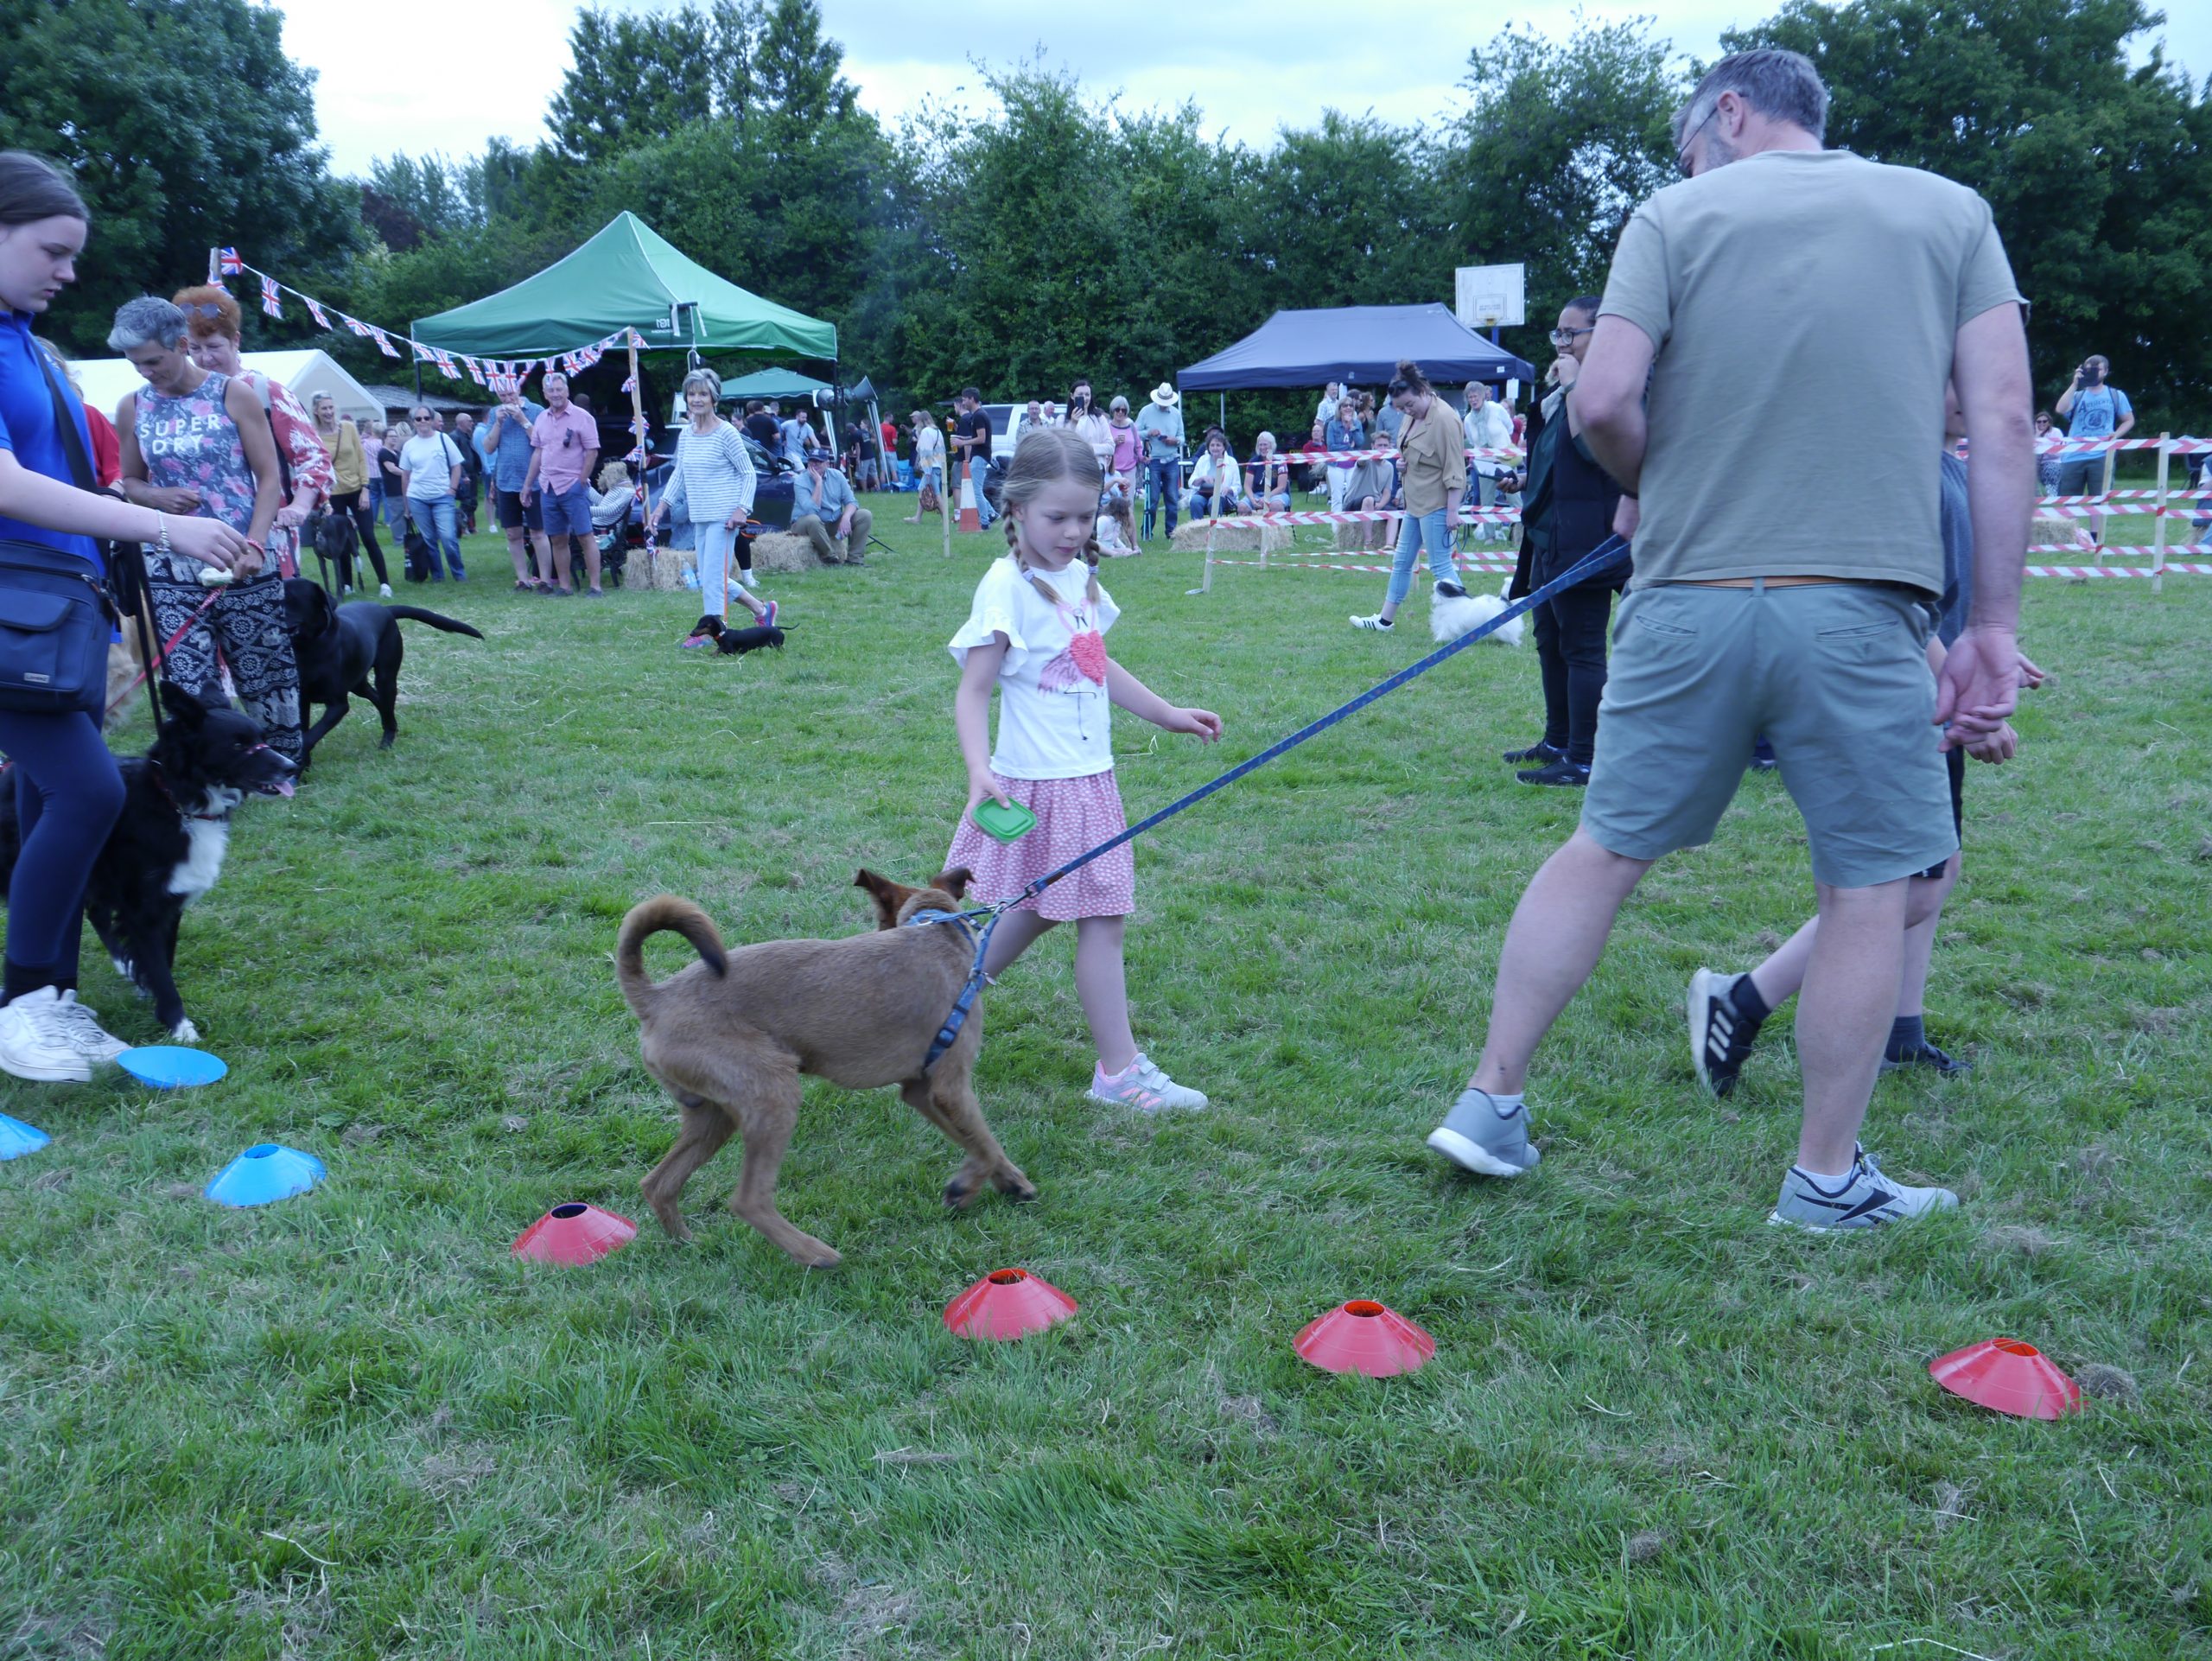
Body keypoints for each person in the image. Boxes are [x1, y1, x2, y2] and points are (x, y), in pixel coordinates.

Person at [1422, 48, 2032, 1233]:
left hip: (1684, 598)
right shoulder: (1951, 213)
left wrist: (1664, 484)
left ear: (1733, 111)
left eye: (1688, 144)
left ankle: (1490, 1099)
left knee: (1602, 849)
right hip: (1860, 607)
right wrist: (1995, 624)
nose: (1688, 166)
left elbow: (1602, 402)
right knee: (1868, 889)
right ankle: (1823, 1178)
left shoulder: (1670, 217)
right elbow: (2002, 420)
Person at [1690, 381, 2037, 1098]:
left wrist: (1984, 653)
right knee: (1900, 889)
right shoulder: (1904, 473)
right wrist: (1968, 702)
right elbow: (1897, 610)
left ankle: (1901, 1033)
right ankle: (1743, 998)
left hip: (1927, 695)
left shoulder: (1948, 469)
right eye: (1953, 375)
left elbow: (1945, 605)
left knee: (1934, 873)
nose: (1973, 389)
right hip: (1899, 699)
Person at [0, 153, 247, 1079]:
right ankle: (26, 1004)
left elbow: (64, 476)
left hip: (52, 608)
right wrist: (160, 525)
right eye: (52, 250)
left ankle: (48, 999)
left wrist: (139, 517)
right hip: (14, 610)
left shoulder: (25, 342)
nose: (69, 271)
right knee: (90, 792)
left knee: (43, 796)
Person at [945, 428, 1223, 1111]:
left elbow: (1095, 663)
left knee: (1047, 908)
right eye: (1057, 517)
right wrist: (979, 771)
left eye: (1084, 516)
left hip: (1090, 779)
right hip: (1038, 785)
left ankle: (939, 1000)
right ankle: (1118, 1072)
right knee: (1096, 915)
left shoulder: (1080, 579)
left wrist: (1166, 713)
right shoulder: (1006, 586)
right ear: (1016, 509)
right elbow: (973, 690)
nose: (1073, 532)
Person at [111, 297, 302, 762]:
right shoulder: (133, 405)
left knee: (263, 669)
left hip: (242, 556)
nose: (145, 373)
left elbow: (269, 477)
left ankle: (281, 762)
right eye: (135, 364)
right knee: (188, 678)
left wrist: (256, 544)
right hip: (170, 564)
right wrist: (156, 496)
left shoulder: (233, 394)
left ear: (181, 345)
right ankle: (209, 767)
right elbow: (130, 480)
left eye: (153, 361)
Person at [1488, 299, 1627, 785]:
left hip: (1588, 541)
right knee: (1549, 640)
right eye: (1559, 334)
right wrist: (1526, 479)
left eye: (1572, 334)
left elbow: (1595, 453)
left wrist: (1572, 388)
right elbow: (1558, 461)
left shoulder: (1613, 387)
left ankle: (1584, 759)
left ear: (1601, 335)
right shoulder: (1558, 394)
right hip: (1548, 537)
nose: (1562, 344)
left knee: (1582, 647)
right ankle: (1557, 740)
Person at [173, 284, 331, 581]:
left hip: (265, 539)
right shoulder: (182, 401)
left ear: (235, 340)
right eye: (195, 348)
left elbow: (314, 457)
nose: (205, 358)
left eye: (213, 347)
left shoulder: (264, 391)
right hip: (200, 540)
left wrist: (299, 506)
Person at [650, 367, 777, 646]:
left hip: (725, 516)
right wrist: (661, 507)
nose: (696, 399)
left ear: (714, 398)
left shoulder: (726, 433)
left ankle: (712, 633)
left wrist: (742, 509)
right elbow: (679, 473)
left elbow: (748, 473)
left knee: (713, 578)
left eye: (703, 394)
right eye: (691, 394)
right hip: (701, 515)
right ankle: (762, 610)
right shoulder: (686, 434)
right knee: (708, 576)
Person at [1350, 362, 1469, 632]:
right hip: (1414, 503)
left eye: (1409, 405)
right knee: (1401, 561)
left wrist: (1452, 511)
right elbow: (1410, 448)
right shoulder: (1410, 414)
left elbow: (1455, 469)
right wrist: (1404, 463)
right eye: (1401, 408)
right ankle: (1384, 621)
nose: (1406, 411)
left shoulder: (1446, 419)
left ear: (1422, 391)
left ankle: (1469, 620)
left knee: (1441, 567)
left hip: (1436, 504)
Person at [521, 371, 601, 595]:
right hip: (547, 487)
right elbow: (538, 452)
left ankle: (595, 587)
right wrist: (528, 485)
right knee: (557, 538)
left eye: (559, 389)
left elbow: (592, 452)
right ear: (545, 394)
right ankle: (564, 587)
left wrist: (581, 481)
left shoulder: (583, 417)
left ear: (567, 391)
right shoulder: (541, 418)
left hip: (572, 486)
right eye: (551, 390)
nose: (555, 394)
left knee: (585, 536)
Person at [309, 392, 391, 595]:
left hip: (356, 490)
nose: (328, 412)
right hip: (333, 494)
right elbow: (316, 468)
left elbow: (361, 459)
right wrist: (325, 501)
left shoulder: (348, 428)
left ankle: (384, 584)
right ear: (316, 411)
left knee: (368, 536)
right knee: (340, 540)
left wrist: (365, 488)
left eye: (331, 407)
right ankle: (347, 584)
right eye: (324, 408)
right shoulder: (313, 434)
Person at [2053, 355, 2133, 545]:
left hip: (2101, 454)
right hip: (2073, 454)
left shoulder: (2115, 395)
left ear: (2106, 372)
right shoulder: (2078, 395)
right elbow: (2060, 409)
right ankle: (2070, 535)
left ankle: (2096, 537)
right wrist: (2074, 384)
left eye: (2097, 369)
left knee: (2099, 497)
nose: (2093, 373)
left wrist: (2116, 434)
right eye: (2088, 369)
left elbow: (2129, 419)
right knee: (2069, 497)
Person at [479, 381, 550, 592]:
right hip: (506, 481)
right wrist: (498, 423)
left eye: (510, 393)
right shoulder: (495, 413)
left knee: (538, 532)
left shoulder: (536, 410)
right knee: (512, 533)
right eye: (502, 395)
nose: (507, 399)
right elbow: (488, 448)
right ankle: (523, 580)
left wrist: (522, 420)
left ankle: (545, 580)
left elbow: (543, 442)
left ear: (518, 389)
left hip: (534, 482)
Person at [397, 405, 466, 582]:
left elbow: (456, 466)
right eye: (418, 419)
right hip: (417, 498)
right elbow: (405, 476)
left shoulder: (443, 439)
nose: (423, 422)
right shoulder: (409, 446)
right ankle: (437, 576)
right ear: (413, 422)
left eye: (426, 418)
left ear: (432, 420)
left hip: (442, 496)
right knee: (429, 539)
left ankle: (459, 573)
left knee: (448, 537)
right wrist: (407, 506)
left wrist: (452, 489)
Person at [791, 449, 872, 565]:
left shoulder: (837, 476)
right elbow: (811, 510)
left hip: (831, 523)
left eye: (818, 462)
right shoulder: (800, 480)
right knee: (813, 520)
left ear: (827, 464)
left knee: (864, 515)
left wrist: (846, 518)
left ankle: (854, 559)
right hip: (805, 525)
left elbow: (852, 502)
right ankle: (830, 557)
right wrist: (818, 483)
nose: (814, 465)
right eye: (812, 461)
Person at [1462, 381, 1517, 544]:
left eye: (1476, 396)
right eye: (1470, 397)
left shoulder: (1496, 409)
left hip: (1504, 459)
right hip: (1484, 462)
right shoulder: (1468, 419)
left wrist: (1501, 447)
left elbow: (1509, 427)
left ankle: (1521, 531)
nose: (1473, 400)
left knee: (1514, 496)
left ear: (1483, 396)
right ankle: (1489, 536)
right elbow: (1472, 441)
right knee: (1486, 500)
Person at [1135, 383, 1185, 539]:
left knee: (1172, 497)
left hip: (1172, 459)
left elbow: (1182, 437)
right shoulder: (1146, 411)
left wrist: (1175, 441)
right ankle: (1147, 531)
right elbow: (1134, 432)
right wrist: (1148, 433)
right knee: (1153, 498)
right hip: (1153, 460)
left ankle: (1171, 532)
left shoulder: (1176, 413)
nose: (1164, 405)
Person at [951, 387, 995, 530]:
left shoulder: (979, 416)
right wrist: (962, 438)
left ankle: (985, 523)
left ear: (972, 399)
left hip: (980, 456)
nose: (963, 403)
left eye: (964, 399)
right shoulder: (977, 415)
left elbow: (982, 439)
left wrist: (962, 443)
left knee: (976, 491)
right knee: (977, 490)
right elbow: (976, 436)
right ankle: (992, 514)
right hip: (979, 455)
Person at [1181, 428, 1244, 520]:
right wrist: (1202, 478)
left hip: (1223, 497)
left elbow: (1238, 486)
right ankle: (1198, 528)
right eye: (1212, 445)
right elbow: (1191, 482)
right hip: (1203, 494)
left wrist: (1229, 489)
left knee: (1214, 501)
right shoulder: (1202, 460)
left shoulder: (1231, 462)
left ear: (1224, 447)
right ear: (1208, 447)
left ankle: (1215, 528)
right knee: (1195, 501)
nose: (1215, 448)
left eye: (1218, 445)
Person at [1324, 394, 1365, 515]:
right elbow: (1331, 446)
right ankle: (1336, 525)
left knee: (1352, 495)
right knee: (1336, 497)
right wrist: (1349, 447)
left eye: (1351, 405)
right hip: (1336, 465)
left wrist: (1352, 427)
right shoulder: (1332, 424)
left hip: (1353, 465)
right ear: (1340, 409)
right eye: (1345, 405)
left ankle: (1350, 524)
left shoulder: (1357, 424)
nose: (1348, 408)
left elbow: (1360, 442)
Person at [905, 408, 945, 522]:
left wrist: (927, 470)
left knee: (936, 494)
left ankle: (945, 519)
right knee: (922, 490)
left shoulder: (926, 431)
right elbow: (942, 451)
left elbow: (927, 452)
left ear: (921, 421)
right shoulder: (937, 431)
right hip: (937, 466)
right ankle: (917, 518)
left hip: (931, 467)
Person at [1065, 379, 1112, 473]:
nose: (1084, 398)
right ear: (1072, 396)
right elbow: (1064, 445)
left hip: (1096, 469)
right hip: (1074, 470)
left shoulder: (1099, 418)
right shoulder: (1063, 420)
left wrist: (1088, 448)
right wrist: (1073, 423)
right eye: (1080, 394)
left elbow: (1110, 447)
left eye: (1087, 394)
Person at [1244, 431, 1290, 512]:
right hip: (1256, 495)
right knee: (1242, 507)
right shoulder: (1253, 462)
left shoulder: (1280, 461)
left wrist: (1266, 497)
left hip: (1276, 495)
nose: (1262, 447)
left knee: (1276, 505)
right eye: (1260, 445)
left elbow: (1282, 487)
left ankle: (1277, 520)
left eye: (1265, 444)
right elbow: (1247, 486)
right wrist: (1252, 499)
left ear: (1272, 445)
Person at [451, 410, 480, 535]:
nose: (472, 423)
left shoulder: (467, 436)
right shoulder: (454, 437)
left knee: (473, 502)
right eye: (470, 421)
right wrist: (463, 475)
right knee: (467, 501)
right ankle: (460, 525)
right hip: (463, 475)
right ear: (461, 422)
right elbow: (454, 458)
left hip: (472, 473)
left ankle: (471, 527)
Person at [2031, 410, 2062, 498]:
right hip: (2036, 462)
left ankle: (2051, 495)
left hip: (2053, 461)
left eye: (2044, 421)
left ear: (2049, 422)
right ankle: (2037, 496)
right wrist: (2037, 435)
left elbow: (2058, 453)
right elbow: (2030, 451)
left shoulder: (2056, 432)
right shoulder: (2033, 433)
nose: (2042, 423)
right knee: (2029, 471)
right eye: (2039, 422)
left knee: (2050, 469)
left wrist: (2044, 451)